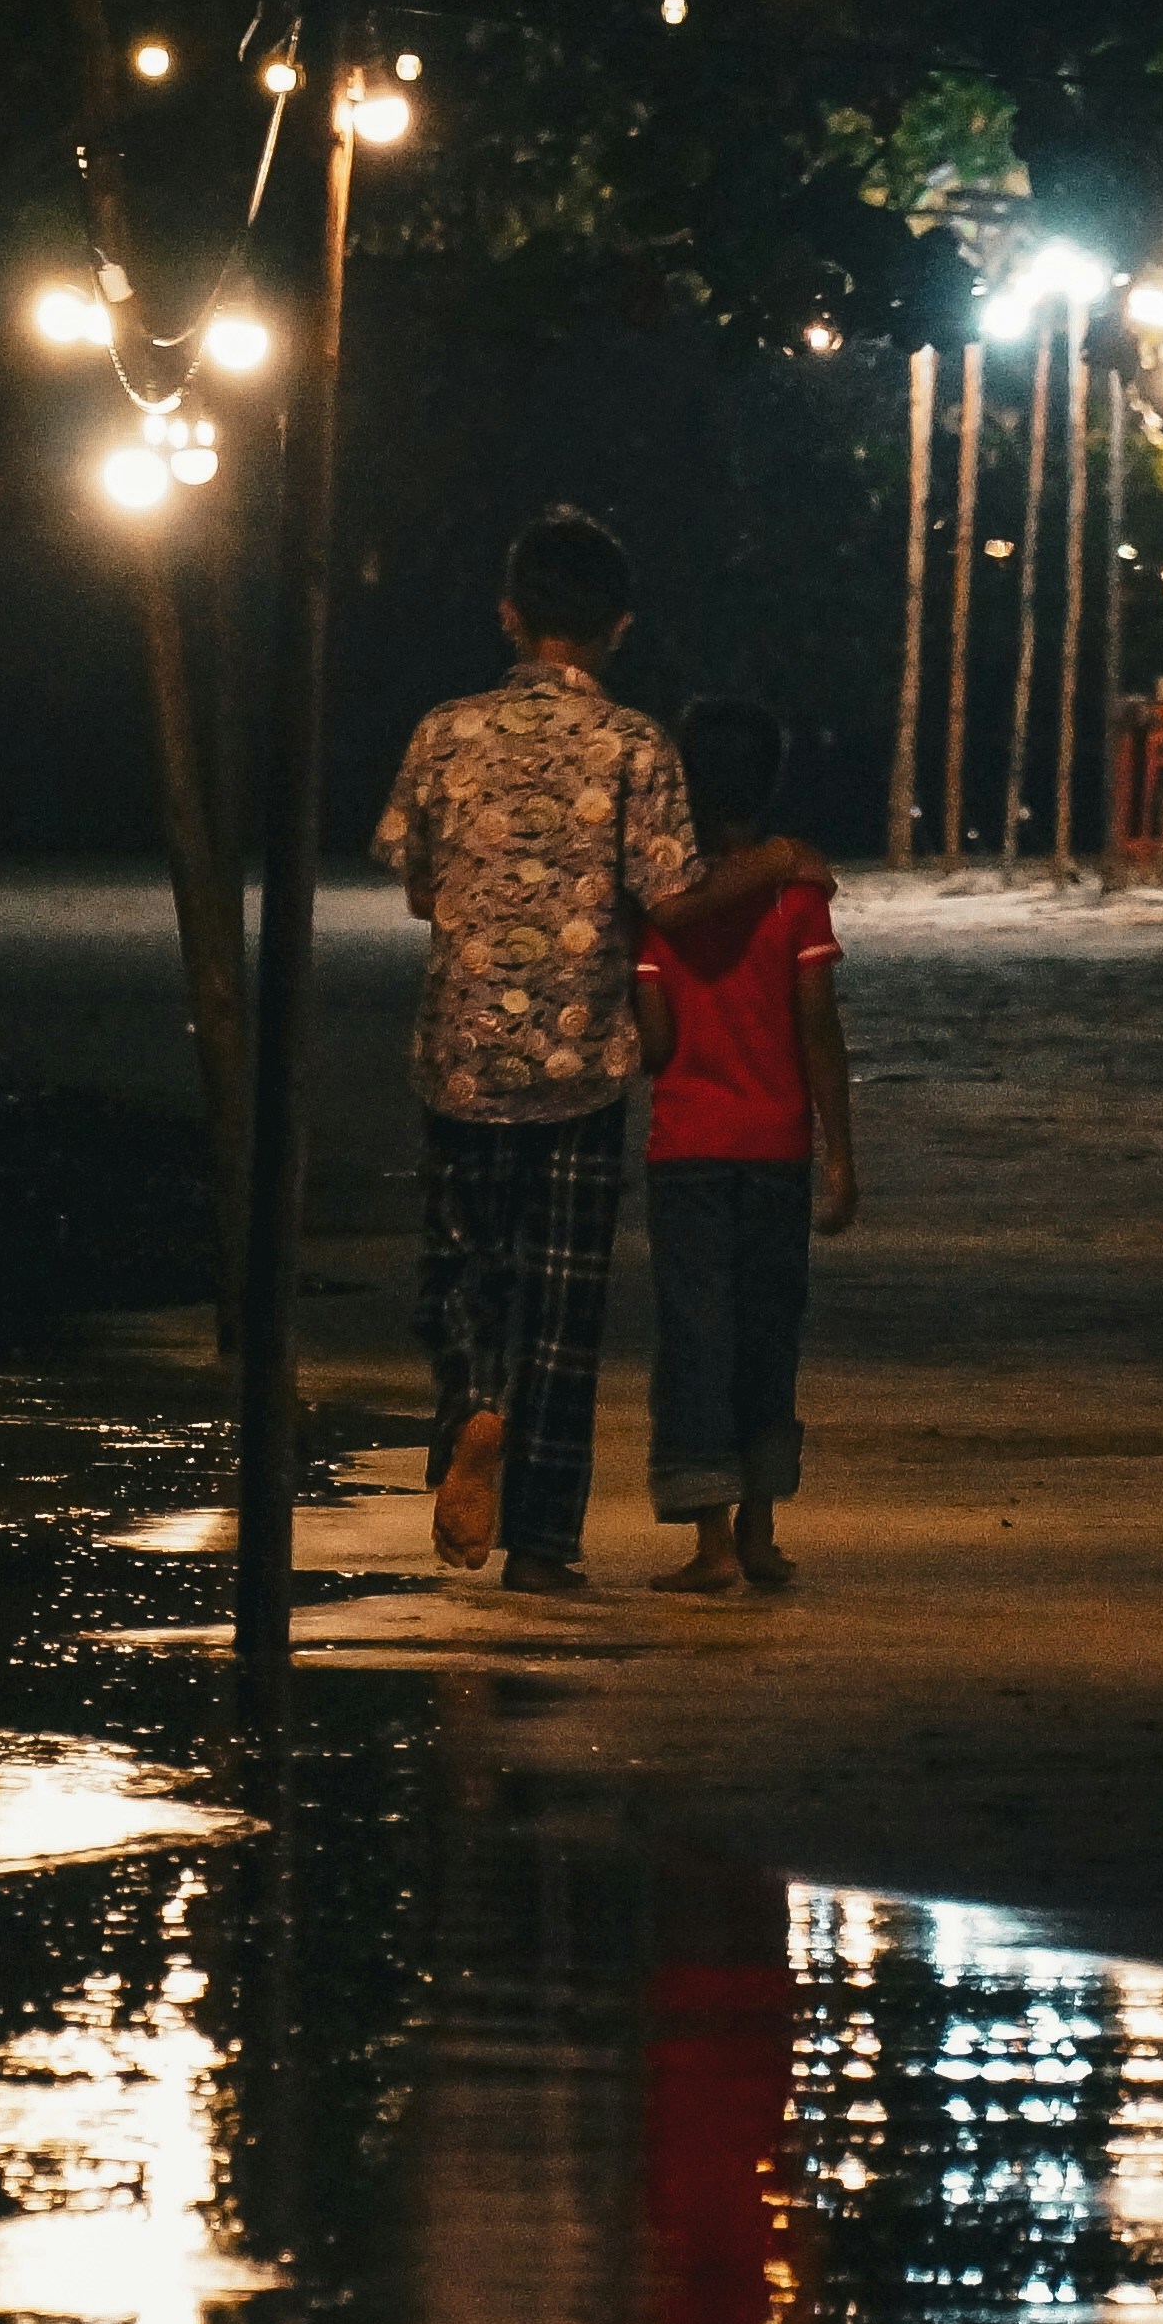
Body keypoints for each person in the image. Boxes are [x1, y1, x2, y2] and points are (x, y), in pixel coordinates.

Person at [374, 511, 828, 1591]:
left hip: (462, 1052)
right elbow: (672, 895)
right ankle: (541, 1546)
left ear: (509, 614)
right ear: (618, 627)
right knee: (568, 1303)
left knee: (461, 1270)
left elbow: (420, 883)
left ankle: (475, 1403)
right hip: (582, 1061)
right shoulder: (634, 746)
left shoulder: (443, 731)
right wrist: (773, 865)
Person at [634, 694, 857, 1596]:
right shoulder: (796, 892)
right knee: (770, 1333)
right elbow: (819, 1030)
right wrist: (840, 1152)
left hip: (686, 1147)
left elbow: (654, 1048)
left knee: (696, 1338)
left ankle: (712, 1544)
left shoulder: (663, 905)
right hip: (776, 1150)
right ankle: (762, 1534)